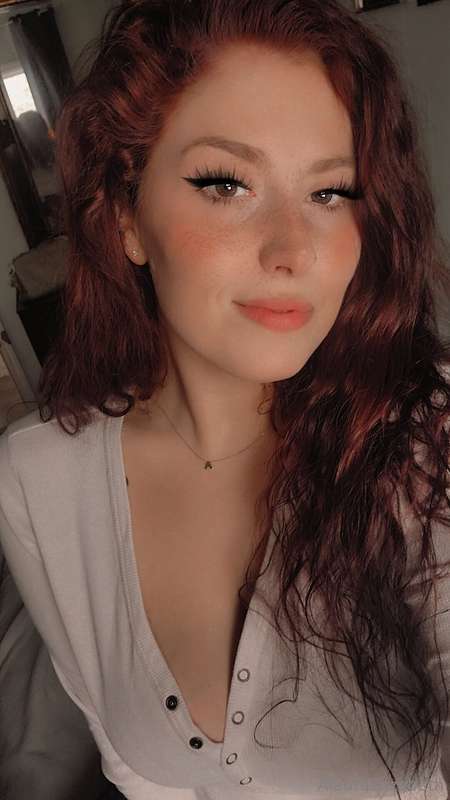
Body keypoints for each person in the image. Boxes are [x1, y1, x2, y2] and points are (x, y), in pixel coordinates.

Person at [0, 0, 450, 798]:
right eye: (226, 184)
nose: (293, 250)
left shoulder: (422, 437)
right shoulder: (36, 481)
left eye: (332, 192)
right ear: (126, 218)